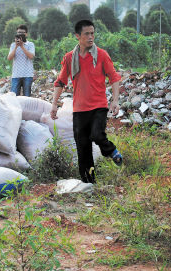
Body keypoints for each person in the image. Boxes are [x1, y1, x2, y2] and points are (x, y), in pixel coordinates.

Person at [50, 19, 122, 184]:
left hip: (99, 106)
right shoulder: (69, 58)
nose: (91, 37)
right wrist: (54, 104)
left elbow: (114, 77)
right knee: (82, 147)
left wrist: (115, 100)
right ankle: (89, 183)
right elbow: (60, 81)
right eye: (86, 34)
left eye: (92, 33)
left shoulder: (102, 55)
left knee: (97, 135)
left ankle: (112, 151)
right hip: (80, 109)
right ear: (77, 36)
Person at [7, 24, 35, 96]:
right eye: (18, 33)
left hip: (27, 74)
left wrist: (22, 46)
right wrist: (16, 46)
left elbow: (31, 56)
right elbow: (9, 58)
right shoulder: (13, 45)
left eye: (22, 33)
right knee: (13, 97)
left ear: (26, 34)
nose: (20, 34)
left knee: (27, 97)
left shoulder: (30, 44)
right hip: (16, 75)